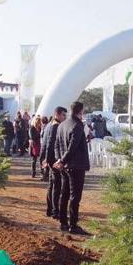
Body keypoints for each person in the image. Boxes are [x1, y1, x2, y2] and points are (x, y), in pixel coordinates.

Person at [53, 101, 91, 235]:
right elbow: (72, 147)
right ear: (80, 111)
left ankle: (63, 222)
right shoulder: (77, 125)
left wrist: (59, 160)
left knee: (65, 194)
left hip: (65, 166)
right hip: (76, 166)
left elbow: (57, 145)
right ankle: (73, 225)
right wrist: (62, 161)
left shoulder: (62, 124)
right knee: (75, 197)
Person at [41, 106, 67, 219]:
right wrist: (48, 160)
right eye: (63, 115)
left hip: (50, 159)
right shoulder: (55, 126)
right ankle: (55, 211)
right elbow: (50, 144)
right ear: (57, 114)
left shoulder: (49, 125)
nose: (65, 117)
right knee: (56, 186)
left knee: (52, 186)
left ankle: (50, 209)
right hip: (53, 160)